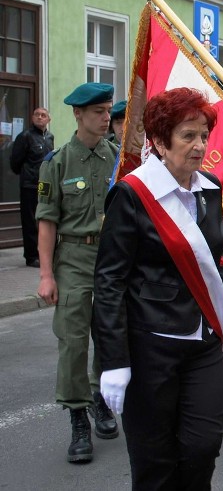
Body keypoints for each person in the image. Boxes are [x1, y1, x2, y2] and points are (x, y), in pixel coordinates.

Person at [93, 87, 223, 488]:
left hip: (203, 341)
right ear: (158, 140)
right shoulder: (133, 193)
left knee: (204, 445)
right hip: (150, 343)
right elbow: (109, 281)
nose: (199, 145)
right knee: (155, 460)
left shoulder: (209, 189)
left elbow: (212, 263)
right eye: (188, 135)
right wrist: (113, 360)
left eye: (203, 135)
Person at [35, 83, 119, 462]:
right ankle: (77, 418)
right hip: (72, 257)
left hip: (110, 259)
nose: (106, 119)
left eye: (107, 111)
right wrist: (46, 275)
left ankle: (100, 396)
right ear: (78, 115)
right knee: (72, 340)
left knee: (108, 333)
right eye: (99, 112)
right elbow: (47, 222)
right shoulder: (57, 162)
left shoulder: (117, 158)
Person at [10, 106, 53, 267]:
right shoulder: (25, 137)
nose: (40, 117)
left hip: (46, 185)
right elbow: (15, 162)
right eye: (36, 115)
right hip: (29, 185)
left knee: (44, 219)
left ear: (49, 119)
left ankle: (44, 253)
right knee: (29, 221)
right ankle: (31, 256)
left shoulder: (49, 137)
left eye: (43, 115)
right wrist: (26, 174)